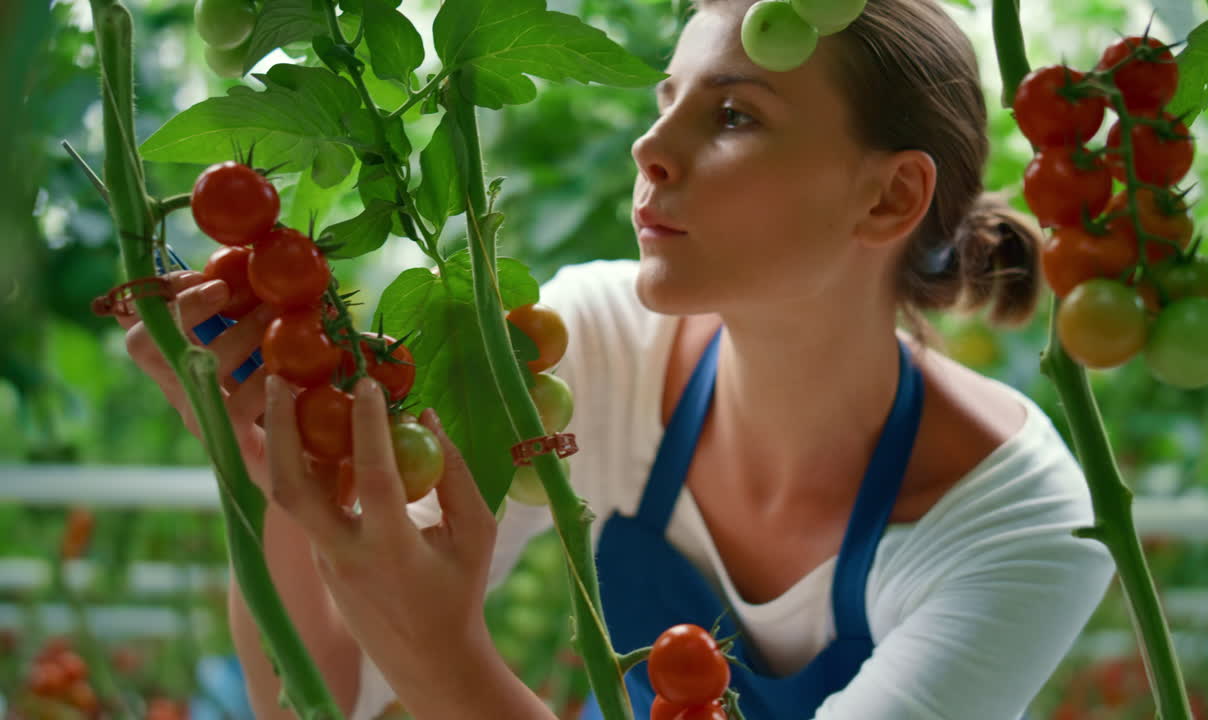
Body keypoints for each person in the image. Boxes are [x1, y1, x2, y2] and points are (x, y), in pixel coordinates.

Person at [120, 0, 1118, 716]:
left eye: (735, 115)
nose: (651, 146)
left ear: (890, 198)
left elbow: (414, 666)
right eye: (666, 98)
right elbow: (323, 697)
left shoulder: (1023, 529)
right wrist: (267, 459)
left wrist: (449, 658)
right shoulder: (588, 349)